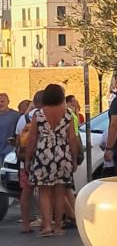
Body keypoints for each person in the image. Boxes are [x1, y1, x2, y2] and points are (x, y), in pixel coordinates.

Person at [25, 83, 80, 237]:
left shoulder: (39, 115)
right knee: (60, 191)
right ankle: (58, 227)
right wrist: (74, 159)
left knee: (44, 192)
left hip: (44, 155)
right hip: (63, 154)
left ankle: (47, 225)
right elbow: (72, 138)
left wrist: (28, 158)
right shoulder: (68, 114)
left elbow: (32, 139)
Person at [15, 90, 44, 234]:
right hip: (42, 159)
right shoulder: (45, 116)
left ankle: (26, 224)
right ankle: (47, 222)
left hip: (25, 161)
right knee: (45, 191)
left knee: (26, 192)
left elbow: (17, 139)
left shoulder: (23, 118)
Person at [0, 93, 20, 167]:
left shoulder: (16, 116)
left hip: (10, 152)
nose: (0, 104)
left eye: (2, 101)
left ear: (8, 102)